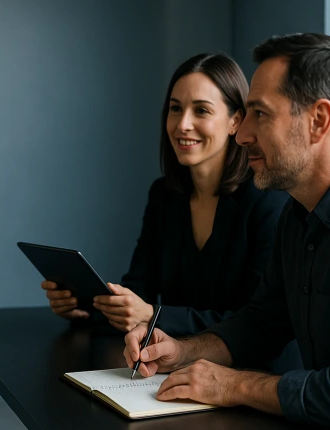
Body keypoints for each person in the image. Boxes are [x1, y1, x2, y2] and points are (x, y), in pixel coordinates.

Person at [124, 33, 330, 429]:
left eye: (259, 114)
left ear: (319, 120)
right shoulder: (298, 213)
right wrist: (182, 350)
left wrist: (231, 385)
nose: (241, 133)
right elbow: (260, 324)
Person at [42, 53, 288, 335]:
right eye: (175, 108)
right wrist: (84, 307)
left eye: (201, 111)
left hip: (246, 372)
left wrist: (152, 315)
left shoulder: (267, 202)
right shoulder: (164, 195)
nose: (182, 124)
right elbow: (137, 288)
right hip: (171, 366)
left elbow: (253, 322)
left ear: (236, 121)